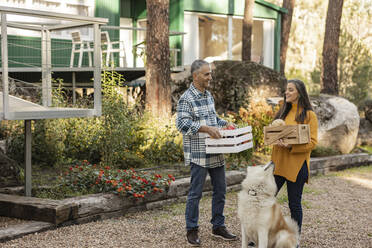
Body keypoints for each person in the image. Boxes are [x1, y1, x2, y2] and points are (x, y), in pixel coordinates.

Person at [176, 59, 237, 246]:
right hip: (199, 154)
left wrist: (224, 124)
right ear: (195, 76)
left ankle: (218, 226)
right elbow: (182, 124)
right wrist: (205, 129)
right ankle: (192, 230)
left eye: (210, 73)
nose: (210, 77)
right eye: (206, 74)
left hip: (216, 151)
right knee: (195, 193)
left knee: (221, 190)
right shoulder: (186, 98)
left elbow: (213, 118)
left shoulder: (208, 95)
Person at [271, 79, 318, 246]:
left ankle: (294, 239)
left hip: (296, 166)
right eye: (286, 90)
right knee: (265, 200)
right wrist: (274, 140)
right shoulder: (282, 112)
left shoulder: (309, 115)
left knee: (294, 205)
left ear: (299, 92)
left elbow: (312, 142)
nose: (287, 92)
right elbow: (272, 134)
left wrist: (291, 145)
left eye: (290, 90)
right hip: (277, 165)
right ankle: (264, 235)